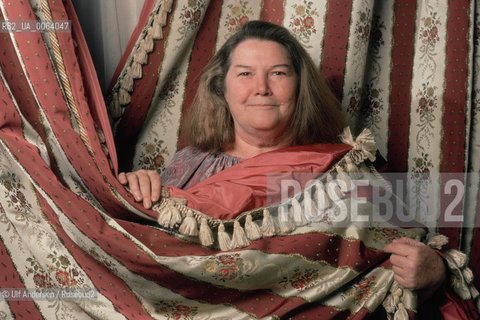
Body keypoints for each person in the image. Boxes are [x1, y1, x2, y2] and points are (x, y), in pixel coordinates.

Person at [119, 20, 448, 310]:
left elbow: (413, 250)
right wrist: (133, 194)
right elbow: (148, 264)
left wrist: (435, 270)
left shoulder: (344, 167)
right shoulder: (189, 163)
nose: (261, 88)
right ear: (222, 88)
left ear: (299, 86)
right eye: (245, 74)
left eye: (278, 73)